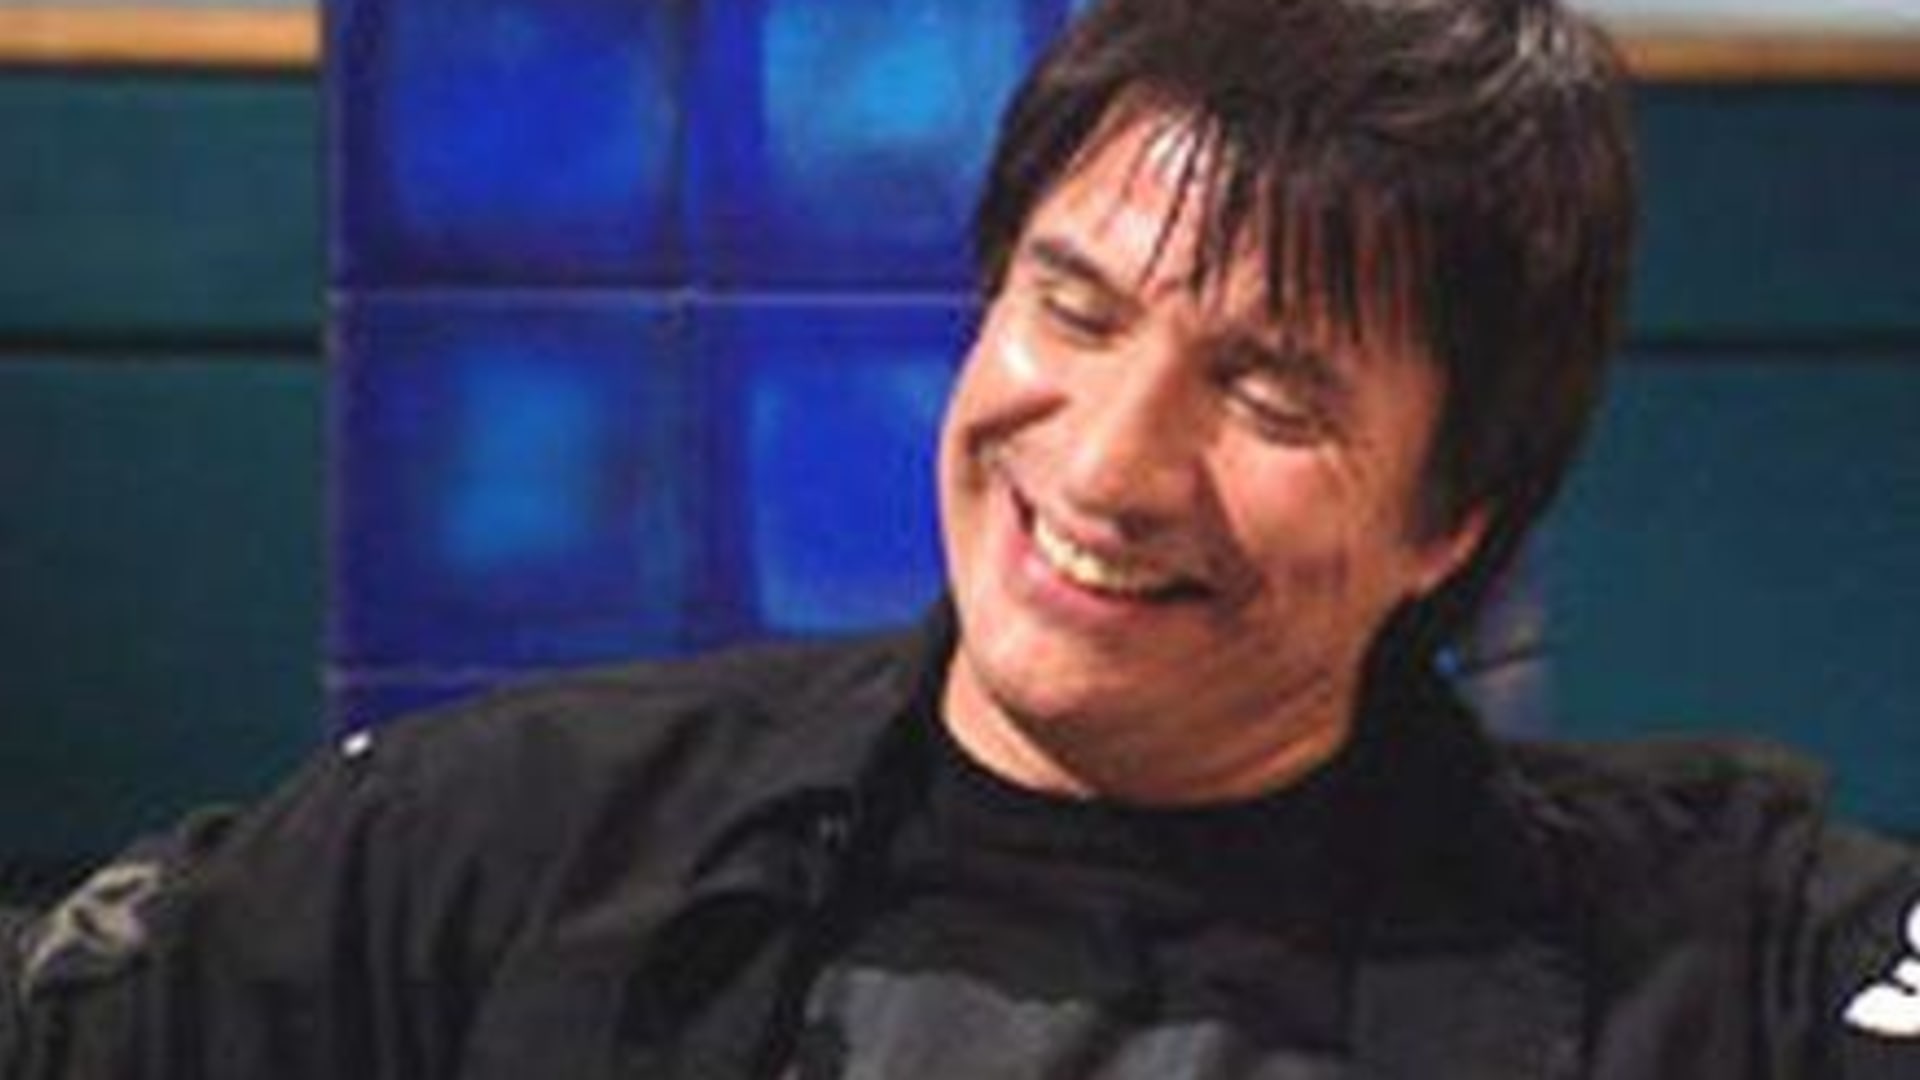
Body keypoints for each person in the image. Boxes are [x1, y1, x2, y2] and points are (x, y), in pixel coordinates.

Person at [6, 0, 1918, 1075]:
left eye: (1269, 395)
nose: (1109, 465)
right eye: (1071, 312)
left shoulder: (1713, 955)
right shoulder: (511, 845)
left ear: (1453, 519)